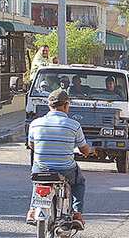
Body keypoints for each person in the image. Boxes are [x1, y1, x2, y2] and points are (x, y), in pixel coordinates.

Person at [27, 89, 92, 228]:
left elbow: (32, 145)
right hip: (65, 169)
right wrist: (88, 152)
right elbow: (84, 149)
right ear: (66, 105)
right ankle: (77, 214)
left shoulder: (35, 123)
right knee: (79, 182)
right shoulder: (74, 125)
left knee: (38, 180)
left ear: (49, 106)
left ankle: (33, 210)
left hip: (41, 168)